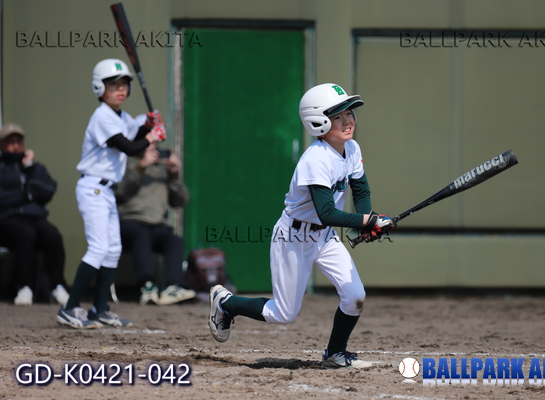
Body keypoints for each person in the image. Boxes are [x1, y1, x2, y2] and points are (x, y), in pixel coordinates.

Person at [208, 83, 394, 369]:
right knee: (283, 314)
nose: (347, 120)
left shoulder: (352, 148)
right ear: (318, 122)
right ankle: (226, 303)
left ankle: (335, 354)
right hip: (293, 237)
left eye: (349, 113)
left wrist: (367, 222)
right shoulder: (315, 159)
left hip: (325, 238)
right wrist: (367, 221)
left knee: (355, 296)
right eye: (337, 116)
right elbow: (327, 213)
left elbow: (360, 190)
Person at [56, 58, 166, 329]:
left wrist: (149, 124)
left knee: (113, 249)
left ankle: (100, 308)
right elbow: (128, 147)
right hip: (92, 187)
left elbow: (134, 134)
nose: (121, 89)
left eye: (124, 85)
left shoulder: (121, 117)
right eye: (114, 85)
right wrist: (152, 136)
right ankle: (69, 308)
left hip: (106, 192)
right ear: (99, 87)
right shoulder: (102, 116)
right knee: (98, 248)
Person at [114, 141, 195, 306]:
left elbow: (180, 201)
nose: (154, 146)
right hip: (130, 222)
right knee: (141, 234)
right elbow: (120, 192)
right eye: (150, 141)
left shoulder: (162, 166)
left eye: (156, 142)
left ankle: (173, 287)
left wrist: (173, 175)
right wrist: (141, 166)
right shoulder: (126, 160)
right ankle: (147, 286)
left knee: (174, 240)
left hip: (158, 225)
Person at [0, 123, 70, 306]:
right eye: (10, 142)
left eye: (19, 141)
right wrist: (27, 196)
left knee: (52, 234)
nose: (16, 146)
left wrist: (29, 169)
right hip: (7, 220)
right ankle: (24, 288)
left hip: (35, 218)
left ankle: (58, 287)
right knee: (26, 234)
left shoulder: (35, 168)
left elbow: (47, 190)